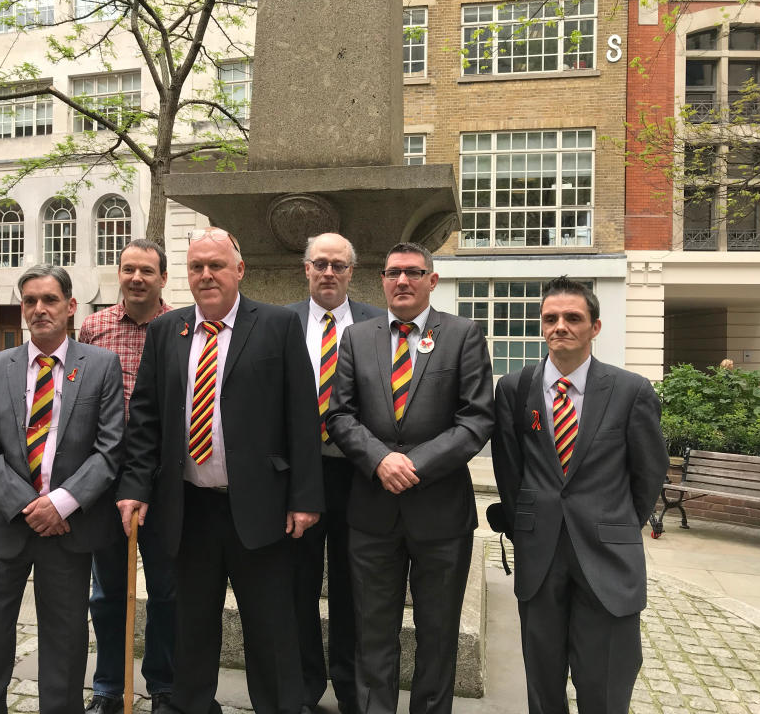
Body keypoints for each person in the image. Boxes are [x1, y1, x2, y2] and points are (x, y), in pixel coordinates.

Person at [116, 227, 324, 714]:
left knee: (270, 628)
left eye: (215, 265)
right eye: (196, 267)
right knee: (191, 629)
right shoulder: (168, 331)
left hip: (261, 507)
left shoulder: (276, 325)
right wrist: (134, 486)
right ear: (185, 275)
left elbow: (302, 416)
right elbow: (145, 418)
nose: (205, 275)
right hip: (189, 509)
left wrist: (305, 497)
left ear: (239, 269)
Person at [326, 242, 494, 714]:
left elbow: (477, 420)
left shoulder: (463, 335)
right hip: (371, 512)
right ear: (381, 279)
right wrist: (380, 460)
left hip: (441, 517)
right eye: (394, 272)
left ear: (432, 280)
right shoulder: (357, 338)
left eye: (414, 273)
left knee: (438, 636)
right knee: (372, 633)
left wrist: (415, 464)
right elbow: (340, 416)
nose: (403, 281)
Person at [491, 276, 668, 714]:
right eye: (550, 318)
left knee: (605, 682)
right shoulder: (514, 390)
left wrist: (617, 521)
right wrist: (525, 525)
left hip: (608, 558)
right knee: (543, 681)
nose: (560, 327)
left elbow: (648, 474)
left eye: (573, 318)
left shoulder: (630, 391)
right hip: (539, 554)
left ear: (595, 327)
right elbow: (509, 471)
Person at [0, 264, 125, 714]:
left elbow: (110, 448)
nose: (40, 309)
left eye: (50, 299)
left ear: (71, 306)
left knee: (65, 640)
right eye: (30, 300)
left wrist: (60, 504)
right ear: (22, 309)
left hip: (68, 530)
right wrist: (28, 505)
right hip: (5, 526)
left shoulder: (100, 366)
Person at [287, 232, 383, 714]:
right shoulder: (278, 322)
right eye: (320, 263)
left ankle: (350, 689)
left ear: (352, 271)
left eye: (338, 265)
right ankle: (305, 686)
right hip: (300, 478)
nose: (328, 272)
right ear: (305, 268)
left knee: (353, 588)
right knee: (299, 587)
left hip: (358, 477)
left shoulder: (378, 324)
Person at [78, 239, 175, 714]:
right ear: (119, 273)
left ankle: (162, 685)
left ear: (163, 278)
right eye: (128, 269)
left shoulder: (181, 326)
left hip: (167, 479)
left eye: (147, 271)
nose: (137, 278)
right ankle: (108, 689)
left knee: (166, 590)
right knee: (108, 592)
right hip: (109, 479)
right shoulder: (94, 327)